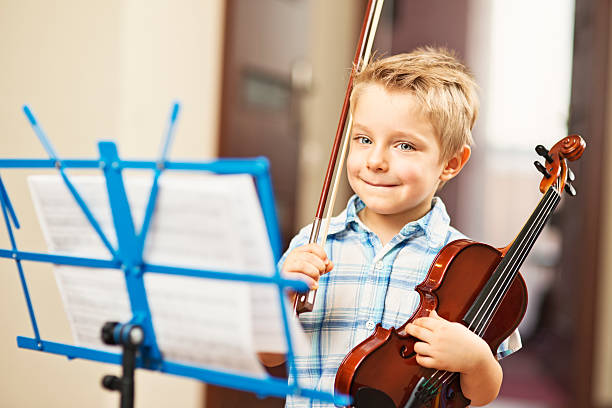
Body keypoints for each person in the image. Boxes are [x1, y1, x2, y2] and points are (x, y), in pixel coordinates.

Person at [261, 47, 521, 407]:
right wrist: (280, 298)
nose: (376, 160)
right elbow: (268, 356)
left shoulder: (471, 269)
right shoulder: (313, 243)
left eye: (404, 145)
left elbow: (482, 394)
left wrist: (475, 359)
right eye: (364, 139)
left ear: (451, 162)